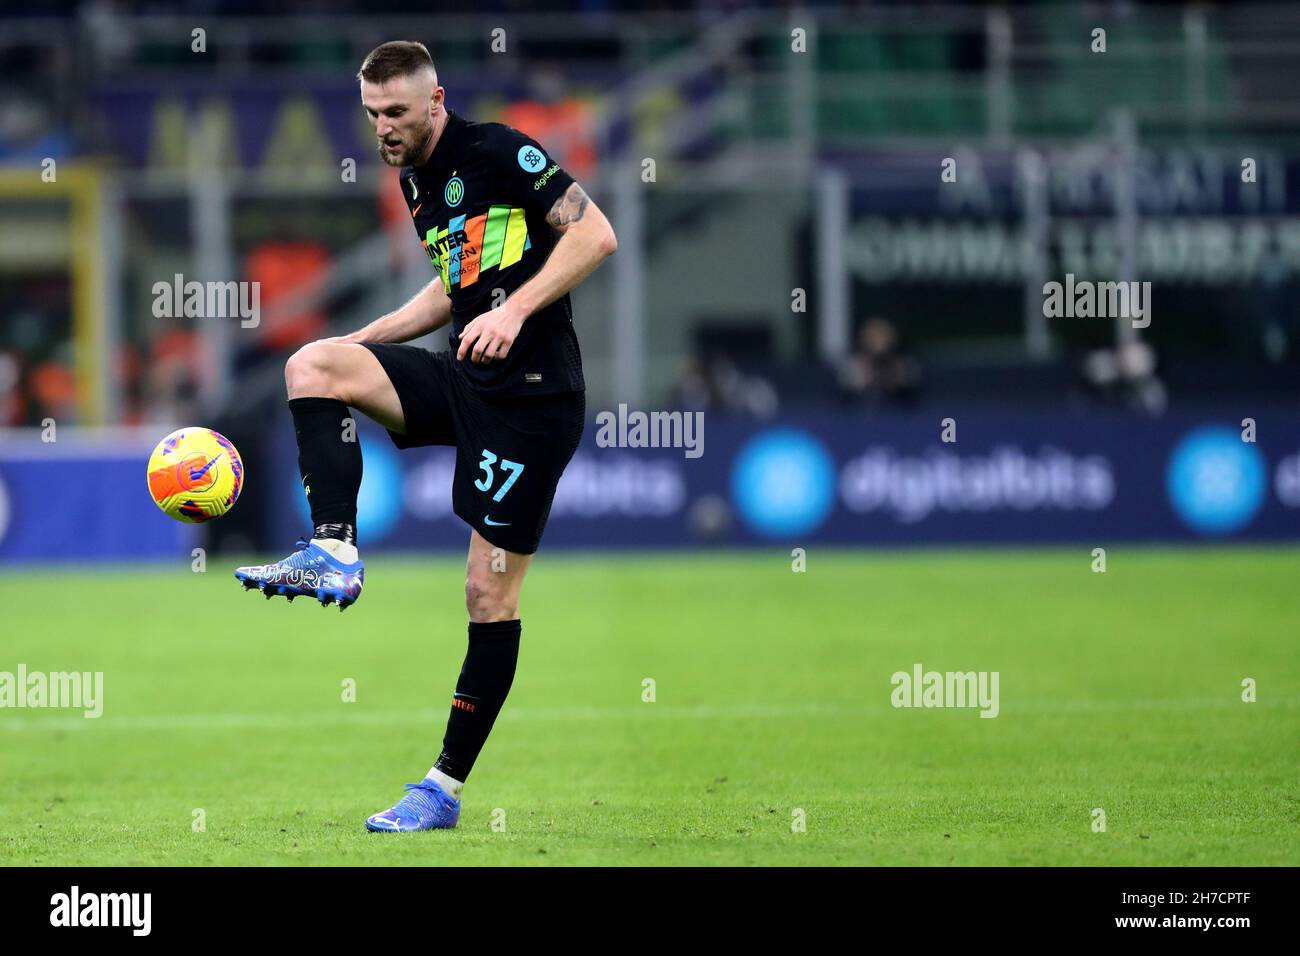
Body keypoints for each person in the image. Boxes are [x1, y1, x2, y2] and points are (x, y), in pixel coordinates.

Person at [232, 41, 617, 832]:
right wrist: (371, 341)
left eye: (398, 113)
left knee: (487, 591)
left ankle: (441, 788)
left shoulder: (503, 151)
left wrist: (514, 311)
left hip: (534, 403)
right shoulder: (414, 178)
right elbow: (456, 283)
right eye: (373, 115)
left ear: (436, 101)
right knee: (315, 364)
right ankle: (334, 549)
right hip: (467, 379)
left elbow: (594, 235)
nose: (385, 129)